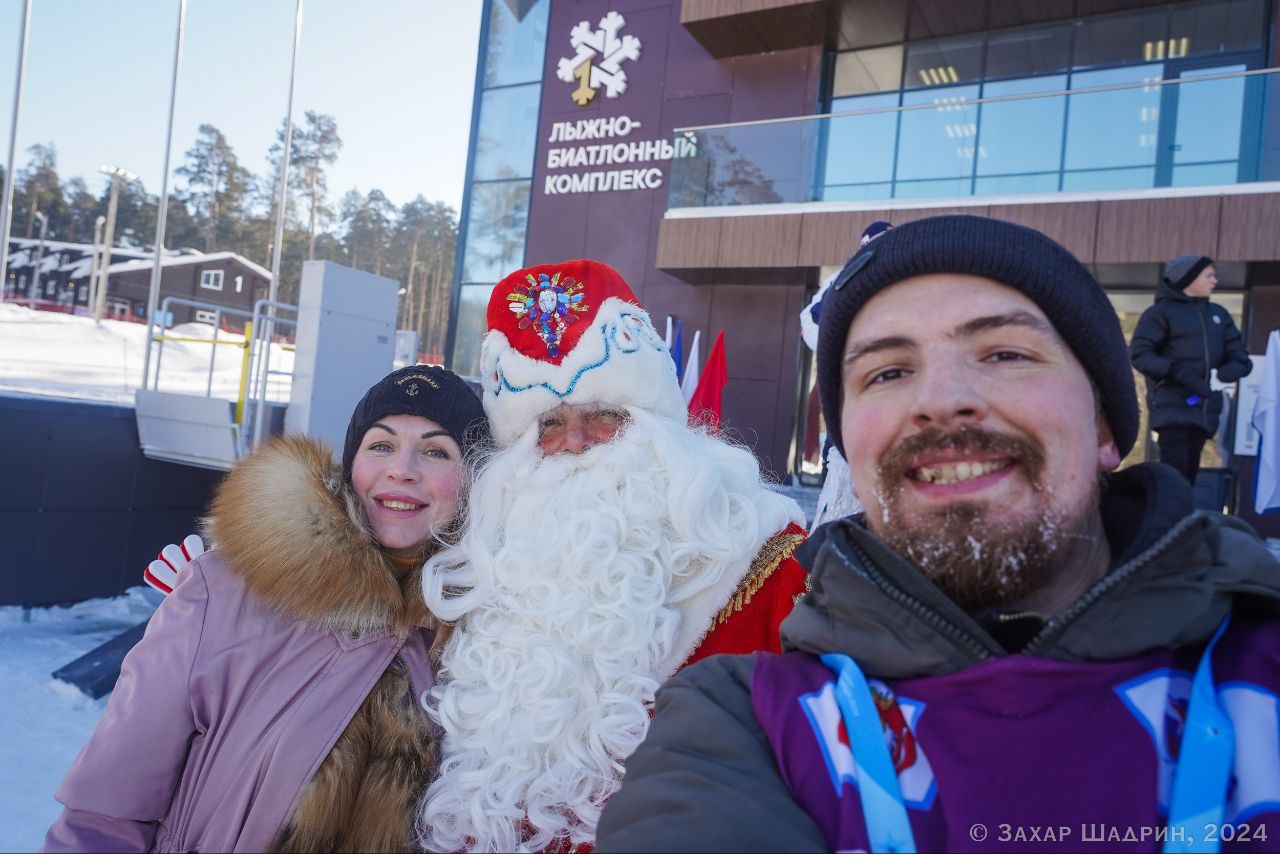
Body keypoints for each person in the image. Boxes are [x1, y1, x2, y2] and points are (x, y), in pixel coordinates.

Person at [594, 215, 1280, 851]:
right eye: (888, 372)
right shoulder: (745, 723)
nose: (939, 399)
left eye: (1006, 353)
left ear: (1106, 426)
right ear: (852, 461)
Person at [416, 259, 809, 852]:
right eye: (549, 424)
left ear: (657, 425)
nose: (574, 443)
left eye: (603, 416)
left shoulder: (770, 572)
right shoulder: (489, 576)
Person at [44, 365, 489, 853]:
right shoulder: (224, 593)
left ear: (474, 479)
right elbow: (104, 816)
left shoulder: (487, 640)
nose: (402, 468)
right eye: (380, 445)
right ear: (351, 464)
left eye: (435, 450)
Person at [1130, 254, 1253, 485]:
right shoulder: (1160, 314)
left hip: (1205, 412)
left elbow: (1241, 357)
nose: (1214, 281)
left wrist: (1230, 371)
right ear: (1188, 279)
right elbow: (1140, 354)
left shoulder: (1218, 315)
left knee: (1188, 480)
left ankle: (1181, 519)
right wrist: (1177, 372)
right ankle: (1169, 520)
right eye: (1209, 275)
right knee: (1174, 478)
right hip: (1173, 411)